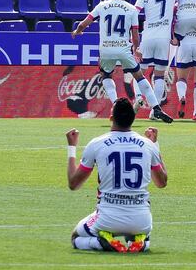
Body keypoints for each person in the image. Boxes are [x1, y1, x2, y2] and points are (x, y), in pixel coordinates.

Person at [66, 97, 168, 253]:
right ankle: (142, 242)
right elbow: (162, 182)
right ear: (133, 118)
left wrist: (72, 147)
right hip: (141, 220)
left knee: (76, 238)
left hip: (108, 217)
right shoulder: (147, 145)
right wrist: (155, 145)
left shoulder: (96, 143)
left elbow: (74, 184)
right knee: (140, 233)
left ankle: (101, 242)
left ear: (111, 118)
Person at [71, 0, 173, 123]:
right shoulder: (131, 9)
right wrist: (136, 50)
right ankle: (156, 108)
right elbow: (135, 33)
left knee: (106, 75)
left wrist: (78, 31)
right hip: (124, 49)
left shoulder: (102, 5)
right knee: (139, 77)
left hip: (106, 49)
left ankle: (115, 105)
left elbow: (84, 23)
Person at [134, 0, 196, 118]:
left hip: (147, 36)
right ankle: (154, 111)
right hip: (163, 39)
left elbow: (134, 13)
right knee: (159, 76)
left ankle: (138, 97)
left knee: (139, 73)